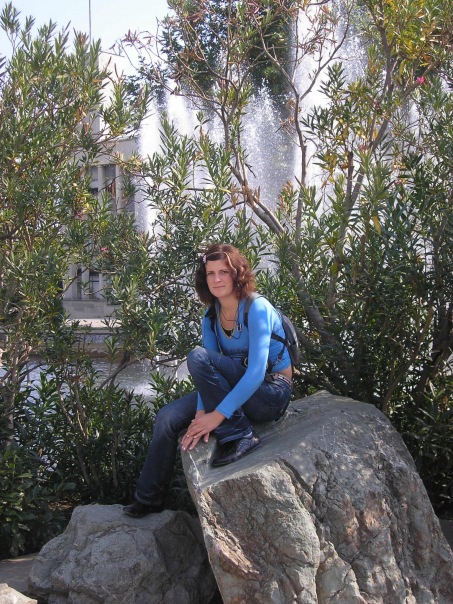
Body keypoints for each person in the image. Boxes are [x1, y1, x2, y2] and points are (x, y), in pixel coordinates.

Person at [123, 243, 292, 518]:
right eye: (210, 273)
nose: (216, 279)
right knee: (167, 417)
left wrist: (216, 416)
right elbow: (208, 374)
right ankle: (148, 498)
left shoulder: (257, 308)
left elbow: (255, 373)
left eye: (223, 272)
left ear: (237, 274)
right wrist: (201, 413)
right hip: (236, 390)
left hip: (270, 394)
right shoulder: (211, 316)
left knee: (198, 356)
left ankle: (241, 435)